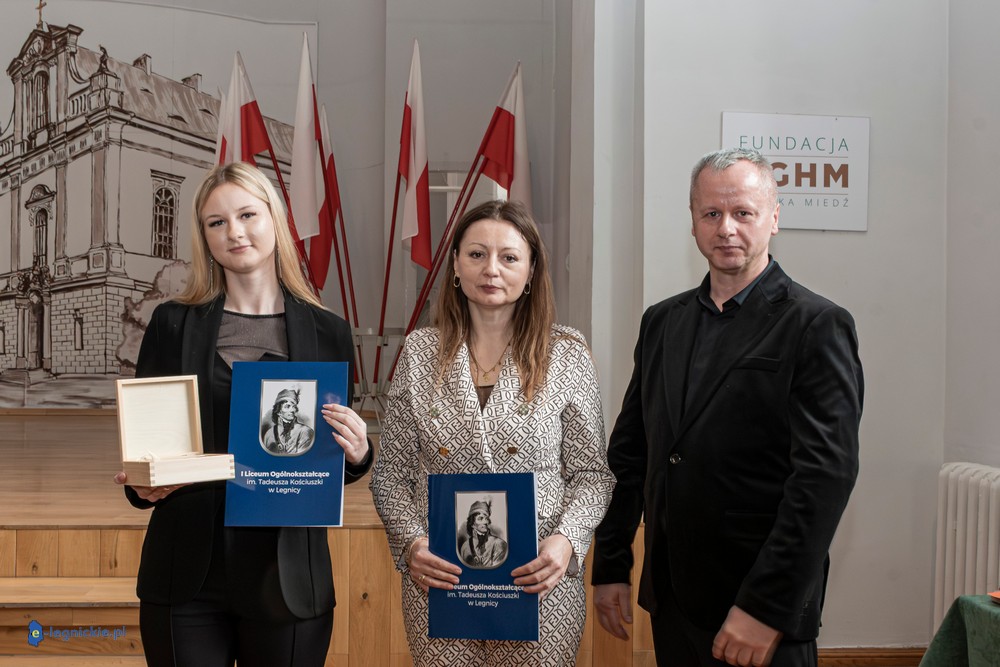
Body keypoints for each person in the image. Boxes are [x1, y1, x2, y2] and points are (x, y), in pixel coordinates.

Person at [591, 148, 863, 667]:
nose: (726, 229)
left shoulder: (817, 324)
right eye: (711, 213)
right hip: (673, 598)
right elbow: (631, 454)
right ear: (693, 220)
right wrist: (611, 563)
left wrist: (766, 607)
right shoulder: (661, 322)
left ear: (774, 218)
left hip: (758, 608)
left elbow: (823, 479)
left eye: (743, 213)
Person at [113, 161, 372, 667]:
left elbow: (325, 465)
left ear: (274, 219)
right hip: (186, 574)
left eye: (247, 214)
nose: (234, 231)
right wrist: (141, 484)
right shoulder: (171, 324)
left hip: (289, 579)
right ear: (204, 236)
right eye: (217, 222)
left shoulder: (330, 332)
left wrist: (358, 454)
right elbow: (147, 453)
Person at [370, 199, 615, 666]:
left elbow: (592, 476)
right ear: (456, 265)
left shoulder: (566, 353)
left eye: (509, 257)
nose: (492, 270)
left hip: (539, 583)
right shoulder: (420, 352)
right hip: (441, 582)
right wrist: (412, 544)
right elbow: (390, 475)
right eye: (477, 254)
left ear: (531, 270)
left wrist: (567, 541)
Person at [263, 387, 316, 455]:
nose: (292, 410)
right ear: (278, 411)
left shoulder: (305, 431)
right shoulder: (269, 434)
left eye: (294, 407)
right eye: (287, 406)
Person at [459, 499, 509, 569]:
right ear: (472, 524)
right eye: (480, 518)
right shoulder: (465, 547)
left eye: (486, 518)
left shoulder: (499, 544)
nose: (485, 522)